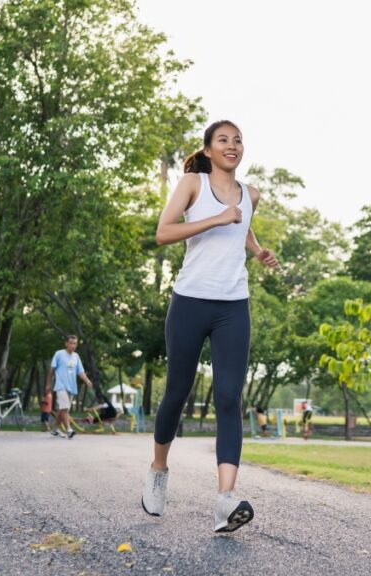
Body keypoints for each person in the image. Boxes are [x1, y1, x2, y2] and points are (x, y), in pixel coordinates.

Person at [142, 120, 279, 533]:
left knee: (228, 396)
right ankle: (158, 469)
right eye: (224, 140)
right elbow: (164, 233)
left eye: (238, 140)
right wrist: (216, 220)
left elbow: (244, 221)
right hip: (190, 302)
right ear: (208, 149)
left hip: (233, 306)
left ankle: (225, 501)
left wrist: (257, 251)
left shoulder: (250, 194)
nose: (232, 145)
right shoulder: (192, 183)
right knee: (177, 394)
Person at [45, 335, 93, 439]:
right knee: (65, 408)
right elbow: (51, 370)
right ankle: (69, 430)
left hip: (71, 387)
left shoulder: (76, 356)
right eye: (71, 343)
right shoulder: (59, 354)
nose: (73, 345)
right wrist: (48, 384)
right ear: (66, 343)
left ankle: (55, 429)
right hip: (61, 385)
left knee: (62, 409)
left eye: (75, 343)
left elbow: (80, 372)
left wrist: (87, 381)